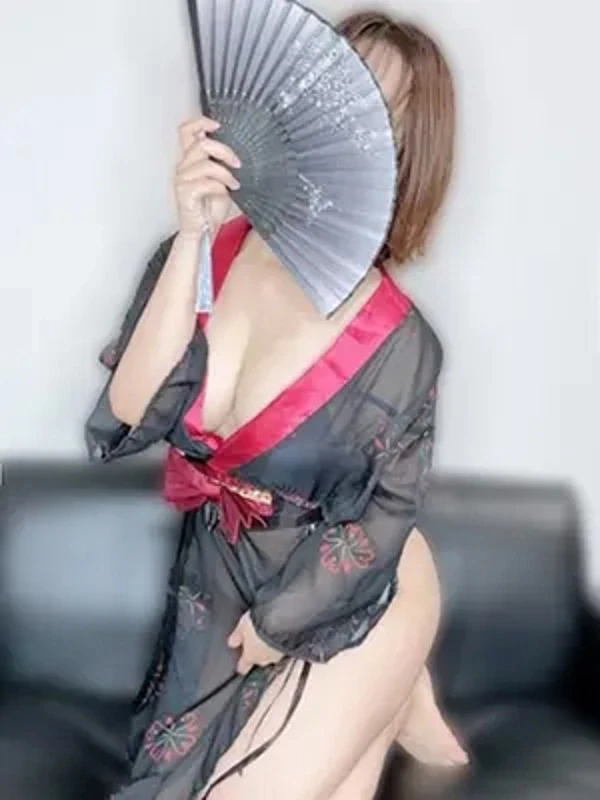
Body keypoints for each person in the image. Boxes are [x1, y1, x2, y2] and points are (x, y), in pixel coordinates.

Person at [86, 9, 467, 800]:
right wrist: (191, 235)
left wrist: (278, 624)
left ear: (402, 154)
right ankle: (399, 699)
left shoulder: (401, 342)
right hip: (216, 588)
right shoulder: (206, 256)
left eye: (377, 113)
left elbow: (384, 516)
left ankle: (394, 669)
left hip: (349, 587)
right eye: (334, 89)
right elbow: (129, 408)